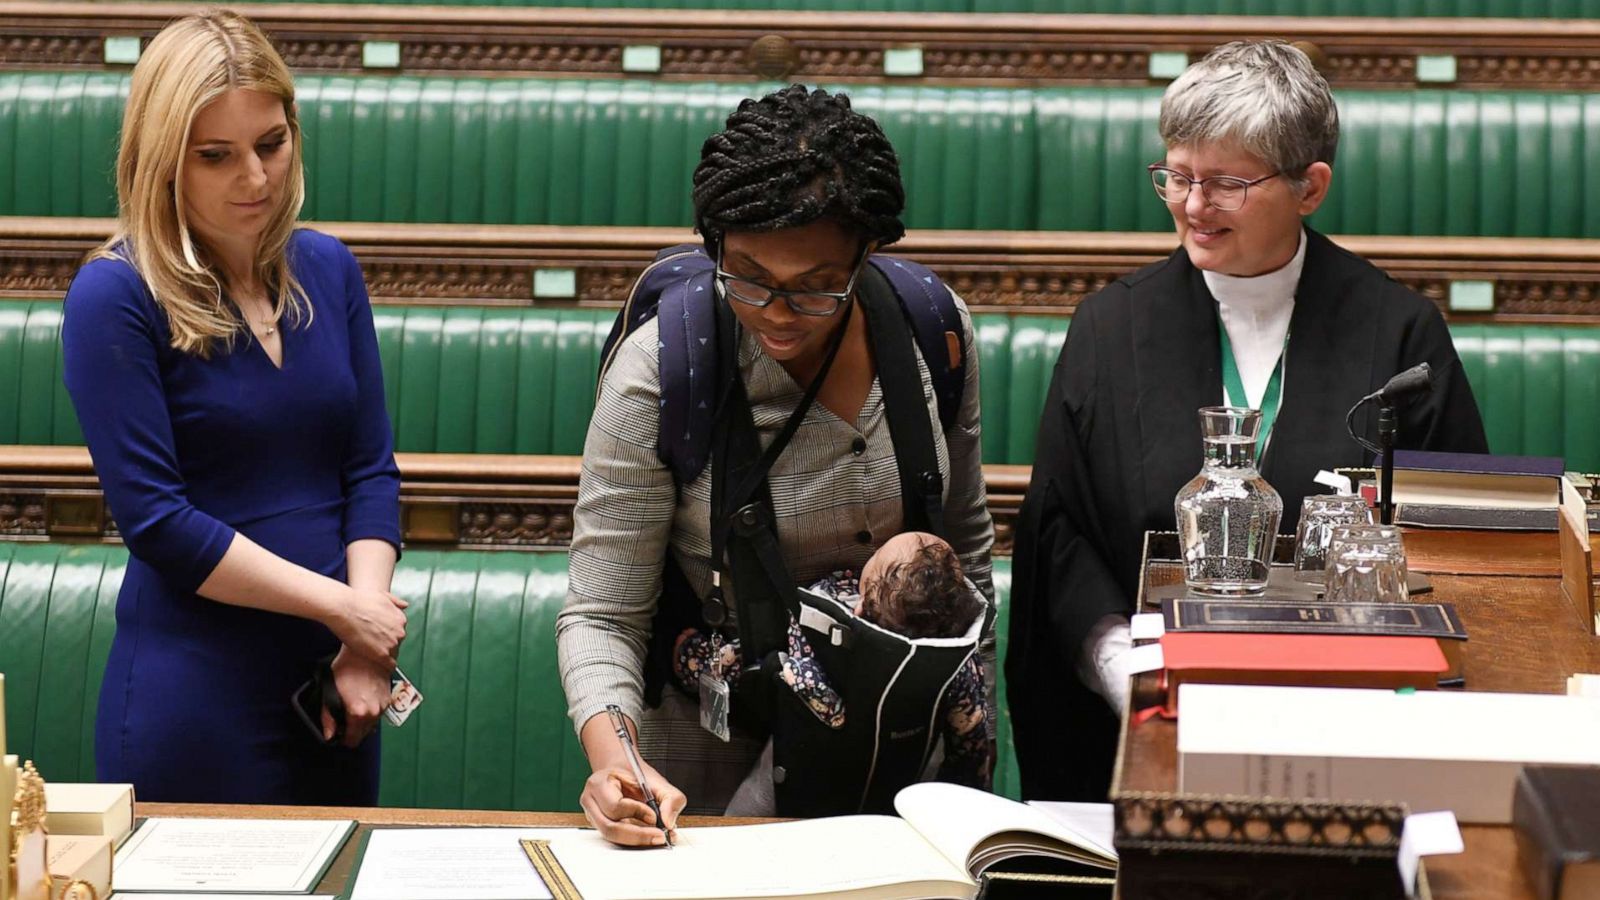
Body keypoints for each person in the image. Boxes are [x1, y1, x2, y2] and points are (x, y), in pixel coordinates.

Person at [1006, 40, 1489, 803]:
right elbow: (1059, 532)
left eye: (1227, 182)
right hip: (1148, 722)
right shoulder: (1108, 327)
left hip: (1349, 725)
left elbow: (1456, 543)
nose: (1193, 206)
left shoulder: (1399, 334)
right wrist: (1124, 676)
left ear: (1310, 187)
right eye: (1177, 176)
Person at [557, 84, 995, 846]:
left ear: (866, 254)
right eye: (747, 276)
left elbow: (968, 557)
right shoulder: (659, 374)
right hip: (705, 759)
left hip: (892, 756)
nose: (779, 312)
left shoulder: (934, 333)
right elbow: (602, 613)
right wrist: (615, 764)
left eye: (818, 286)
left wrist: (968, 744)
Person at [61, 10, 406, 804]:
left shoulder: (328, 267)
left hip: (339, 687)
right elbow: (158, 522)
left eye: (271, 144)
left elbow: (369, 470)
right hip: (196, 693)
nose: (255, 178)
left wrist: (362, 644)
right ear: (162, 160)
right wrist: (351, 613)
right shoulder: (114, 296)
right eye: (215, 156)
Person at [672, 531, 994, 805]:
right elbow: (972, 742)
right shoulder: (959, 667)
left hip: (800, 799)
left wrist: (691, 657)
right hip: (900, 798)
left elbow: (742, 667)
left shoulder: (823, 641)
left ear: (859, 606)